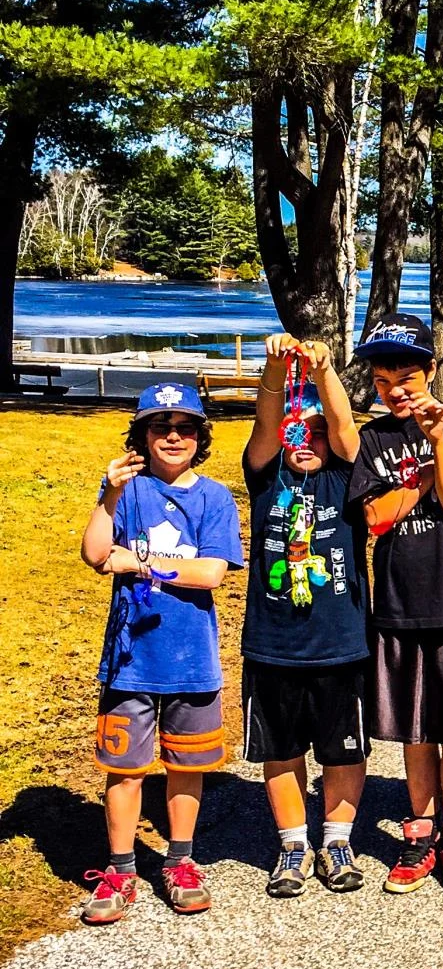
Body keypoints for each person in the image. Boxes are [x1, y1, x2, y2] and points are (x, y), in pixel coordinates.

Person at [346, 312, 443, 897]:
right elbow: (376, 517)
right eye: (383, 382)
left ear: (430, 370)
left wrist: (436, 443)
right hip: (397, 603)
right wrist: (432, 473)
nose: (396, 391)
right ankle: (420, 833)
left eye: (406, 378)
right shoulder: (373, 438)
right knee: (415, 732)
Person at [80, 383, 244, 924]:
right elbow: (95, 554)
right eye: (160, 427)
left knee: (186, 767)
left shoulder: (215, 498)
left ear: (200, 437)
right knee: (125, 770)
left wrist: (141, 563)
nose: (173, 437)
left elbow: (211, 573)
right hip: (130, 661)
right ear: (141, 436)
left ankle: (180, 862)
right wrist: (107, 495)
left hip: (192, 660)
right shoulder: (126, 492)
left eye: (185, 427)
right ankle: (120, 869)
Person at [241, 334, 368, 900]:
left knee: (344, 748)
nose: (306, 441)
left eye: (314, 433)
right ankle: (293, 843)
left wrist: (324, 372)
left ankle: (336, 840)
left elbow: (344, 426)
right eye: (297, 432)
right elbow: (264, 424)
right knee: (281, 748)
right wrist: (275, 369)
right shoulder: (266, 476)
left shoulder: (343, 477)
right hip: (273, 644)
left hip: (340, 641)